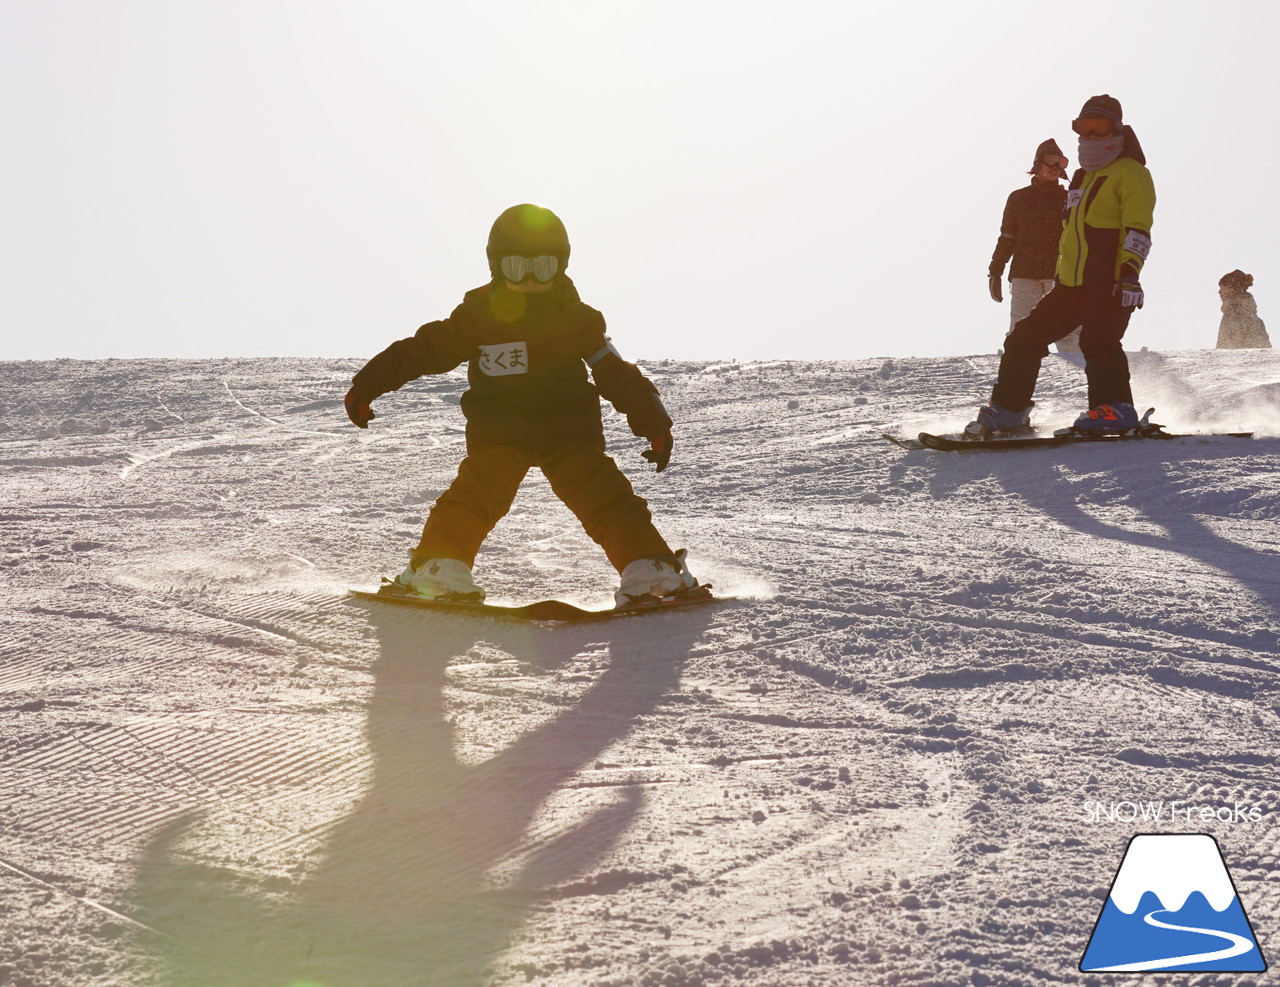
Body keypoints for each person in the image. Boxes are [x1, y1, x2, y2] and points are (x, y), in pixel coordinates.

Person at [344, 203, 700, 607]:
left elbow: (616, 373)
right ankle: (441, 567)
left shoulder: (578, 320)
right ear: (497, 267)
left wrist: (653, 422)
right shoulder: (478, 318)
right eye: (517, 268)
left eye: (543, 268)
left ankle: (648, 568)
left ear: (561, 267)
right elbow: (422, 351)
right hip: (501, 433)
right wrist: (367, 386)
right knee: (475, 495)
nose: (530, 279)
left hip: (568, 433)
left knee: (603, 495)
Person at [967, 95, 1156, 435]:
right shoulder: (1082, 178)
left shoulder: (1131, 173)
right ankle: (1010, 410)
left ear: (1117, 131)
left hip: (1111, 281)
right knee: (1024, 338)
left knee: (1098, 340)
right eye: (1085, 127)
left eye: (1101, 127)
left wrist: (1129, 273)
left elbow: (1138, 228)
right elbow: (1070, 236)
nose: (1093, 136)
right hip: (1071, 285)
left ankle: (1115, 409)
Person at [988, 138, 1081, 352]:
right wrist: (996, 270)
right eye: (1051, 161)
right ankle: (1016, 379)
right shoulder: (1019, 198)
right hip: (1024, 275)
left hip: (1060, 276)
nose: (1056, 167)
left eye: (1061, 163)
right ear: (1037, 164)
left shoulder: (1068, 199)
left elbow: (1080, 237)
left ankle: (1077, 382)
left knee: (1069, 334)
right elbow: (1007, 237)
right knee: (1021, 331)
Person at [1216, 270, 1271, 349]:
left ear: (1233, 289)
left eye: (1222, 288)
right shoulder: (1254, 318)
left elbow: (1227, 352)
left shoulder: (1233, 316)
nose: (1219, 292)